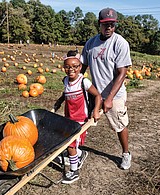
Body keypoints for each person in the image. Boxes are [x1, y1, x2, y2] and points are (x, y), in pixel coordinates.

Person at [80, 7, 132, 170]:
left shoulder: (120, 43)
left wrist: (109, 98)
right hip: (95, 94)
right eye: (105, 24)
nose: (109, 27)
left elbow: (122, 73)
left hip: (114, 95)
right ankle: (78, 151)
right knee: (83, 121)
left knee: (119, 125)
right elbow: (82, 67)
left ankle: (126, 153)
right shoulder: (90, 43)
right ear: (99, 25)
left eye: (112, 24)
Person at [53, 50, 102, 184]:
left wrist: (96, 110)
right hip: (69, 118)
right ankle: (80, 154)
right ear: (64, 68)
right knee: (70, 144)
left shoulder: (83, 82)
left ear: (80, 67)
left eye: (75, 66)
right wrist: (58, 102)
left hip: (81, 120)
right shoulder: (66, 81)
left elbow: (98, 96)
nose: (71, 69)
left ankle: (74, 171)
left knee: (70, 145)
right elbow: (65, 94)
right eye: (68, 67)